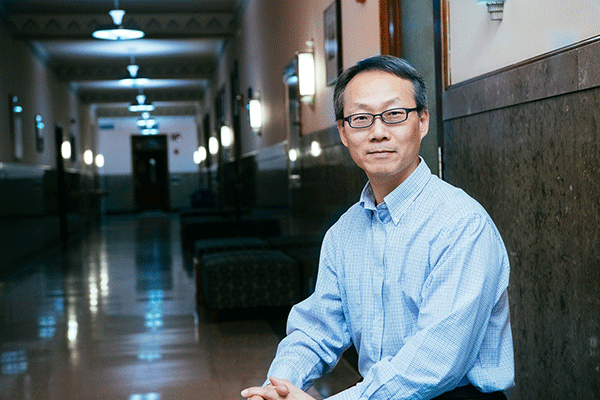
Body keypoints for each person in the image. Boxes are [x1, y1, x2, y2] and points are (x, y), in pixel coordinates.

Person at [241, 55, 514, 400]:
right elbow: (317, 329)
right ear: (342, 131)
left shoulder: (461, 224)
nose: (378, 132)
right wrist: (276, 389)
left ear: (423, 121)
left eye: (394, 115)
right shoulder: (343, 233)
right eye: (360, 119)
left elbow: (435, 362)